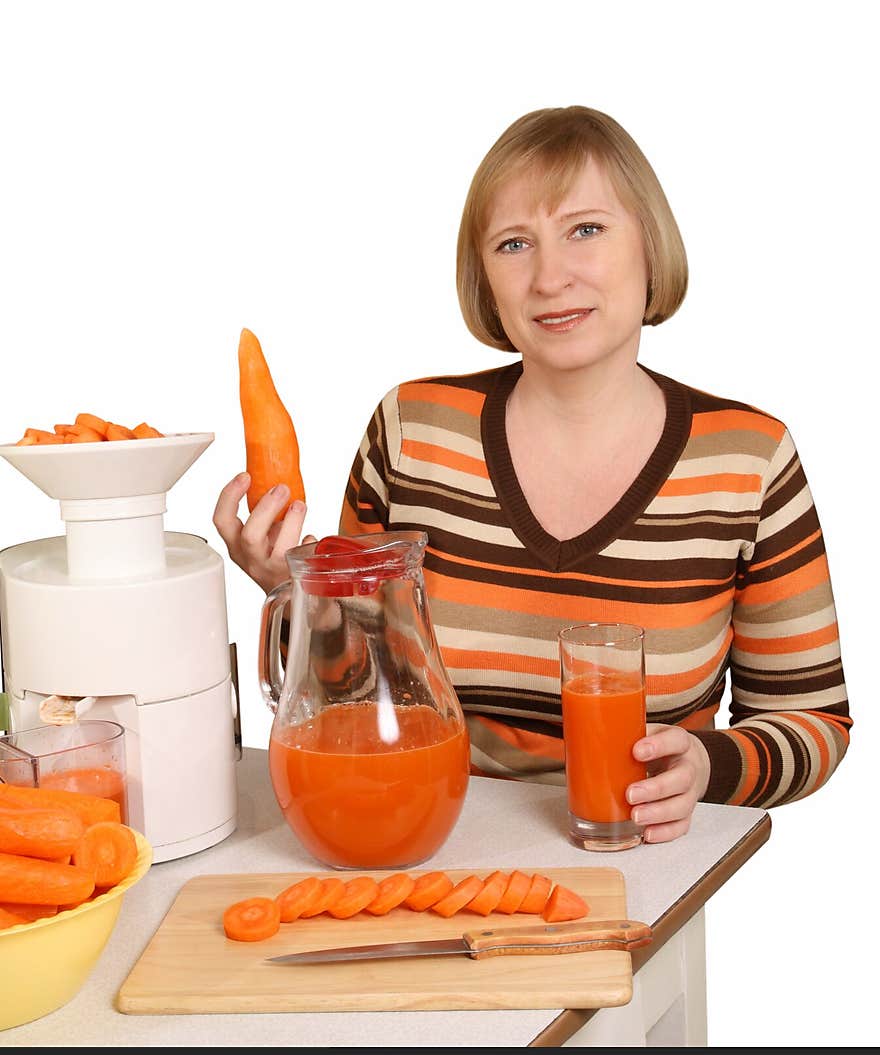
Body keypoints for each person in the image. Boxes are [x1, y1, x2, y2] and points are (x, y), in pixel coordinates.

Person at [214, 105, 851, 844]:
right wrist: (299, 592)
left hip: (638, 867)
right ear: (484, 276)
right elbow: (361, 694)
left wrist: (708, 766)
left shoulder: (748, 456)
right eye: (514, 243)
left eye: (586, 229)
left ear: (650, 242)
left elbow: (815, 720)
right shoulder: (412, 431)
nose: (551, 276)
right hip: (426, 842)